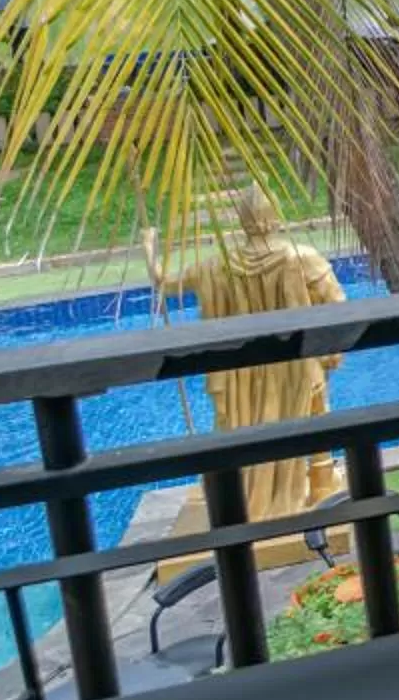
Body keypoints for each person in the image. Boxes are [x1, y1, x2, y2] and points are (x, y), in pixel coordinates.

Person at [143, 186, 349, 519]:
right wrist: (330, 352)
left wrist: (150, 248)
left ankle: (240, 494)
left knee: (235, 426)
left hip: (242, 373)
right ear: (274, 217)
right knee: (317, 414)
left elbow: (165, 283)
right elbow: (338, 304)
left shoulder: (216, 265)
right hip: (295, 364)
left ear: (242, 220)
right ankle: (321, 486)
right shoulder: (300, 257)